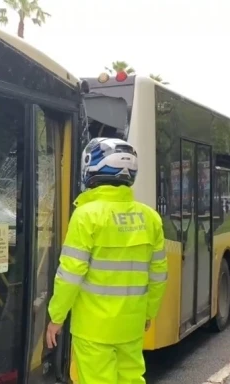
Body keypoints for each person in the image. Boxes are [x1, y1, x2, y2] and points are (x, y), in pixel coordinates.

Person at [46, 137, 168, 384]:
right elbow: (158, 275)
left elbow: (70, 274)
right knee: (131, 379)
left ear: (92, 168)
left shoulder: (86, 215)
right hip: (131, 324)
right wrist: (148, 313)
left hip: (93, 328)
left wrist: (56, 318)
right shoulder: (150, 218)